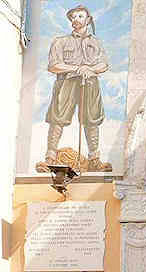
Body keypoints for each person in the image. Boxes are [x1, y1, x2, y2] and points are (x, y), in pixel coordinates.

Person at [37, 5, 111, 172]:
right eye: (74, 17)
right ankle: (50, 158)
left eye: (80, 16)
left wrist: (89, 70)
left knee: (91, 120)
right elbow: (54, 65)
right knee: (58, 118)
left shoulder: (96, 43)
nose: (76, 19)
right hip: (67, 82)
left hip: (90, 82)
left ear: (88, 19)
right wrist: (77, 69)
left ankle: (94, 160)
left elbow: (104, 64)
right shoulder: (61, 41)